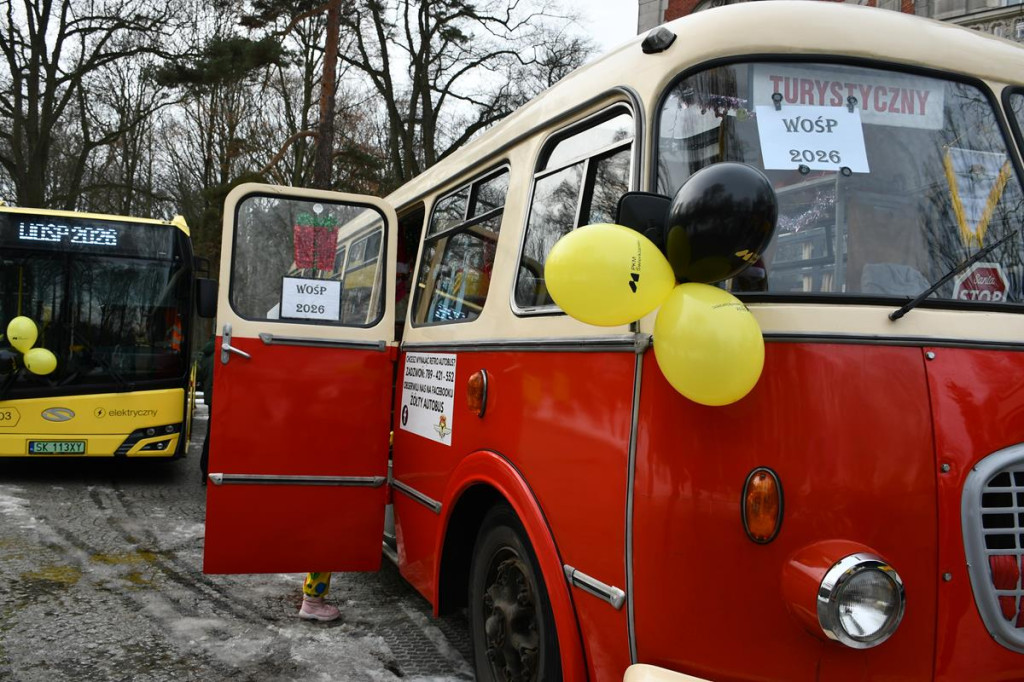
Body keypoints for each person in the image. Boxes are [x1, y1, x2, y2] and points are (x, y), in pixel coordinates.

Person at [196, 333, 215, 485]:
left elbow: (200, 376)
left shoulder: (206, 354)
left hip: (211, 399)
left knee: (210, 435)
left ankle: (205, 472)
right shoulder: (221, 351)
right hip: (221, 398)